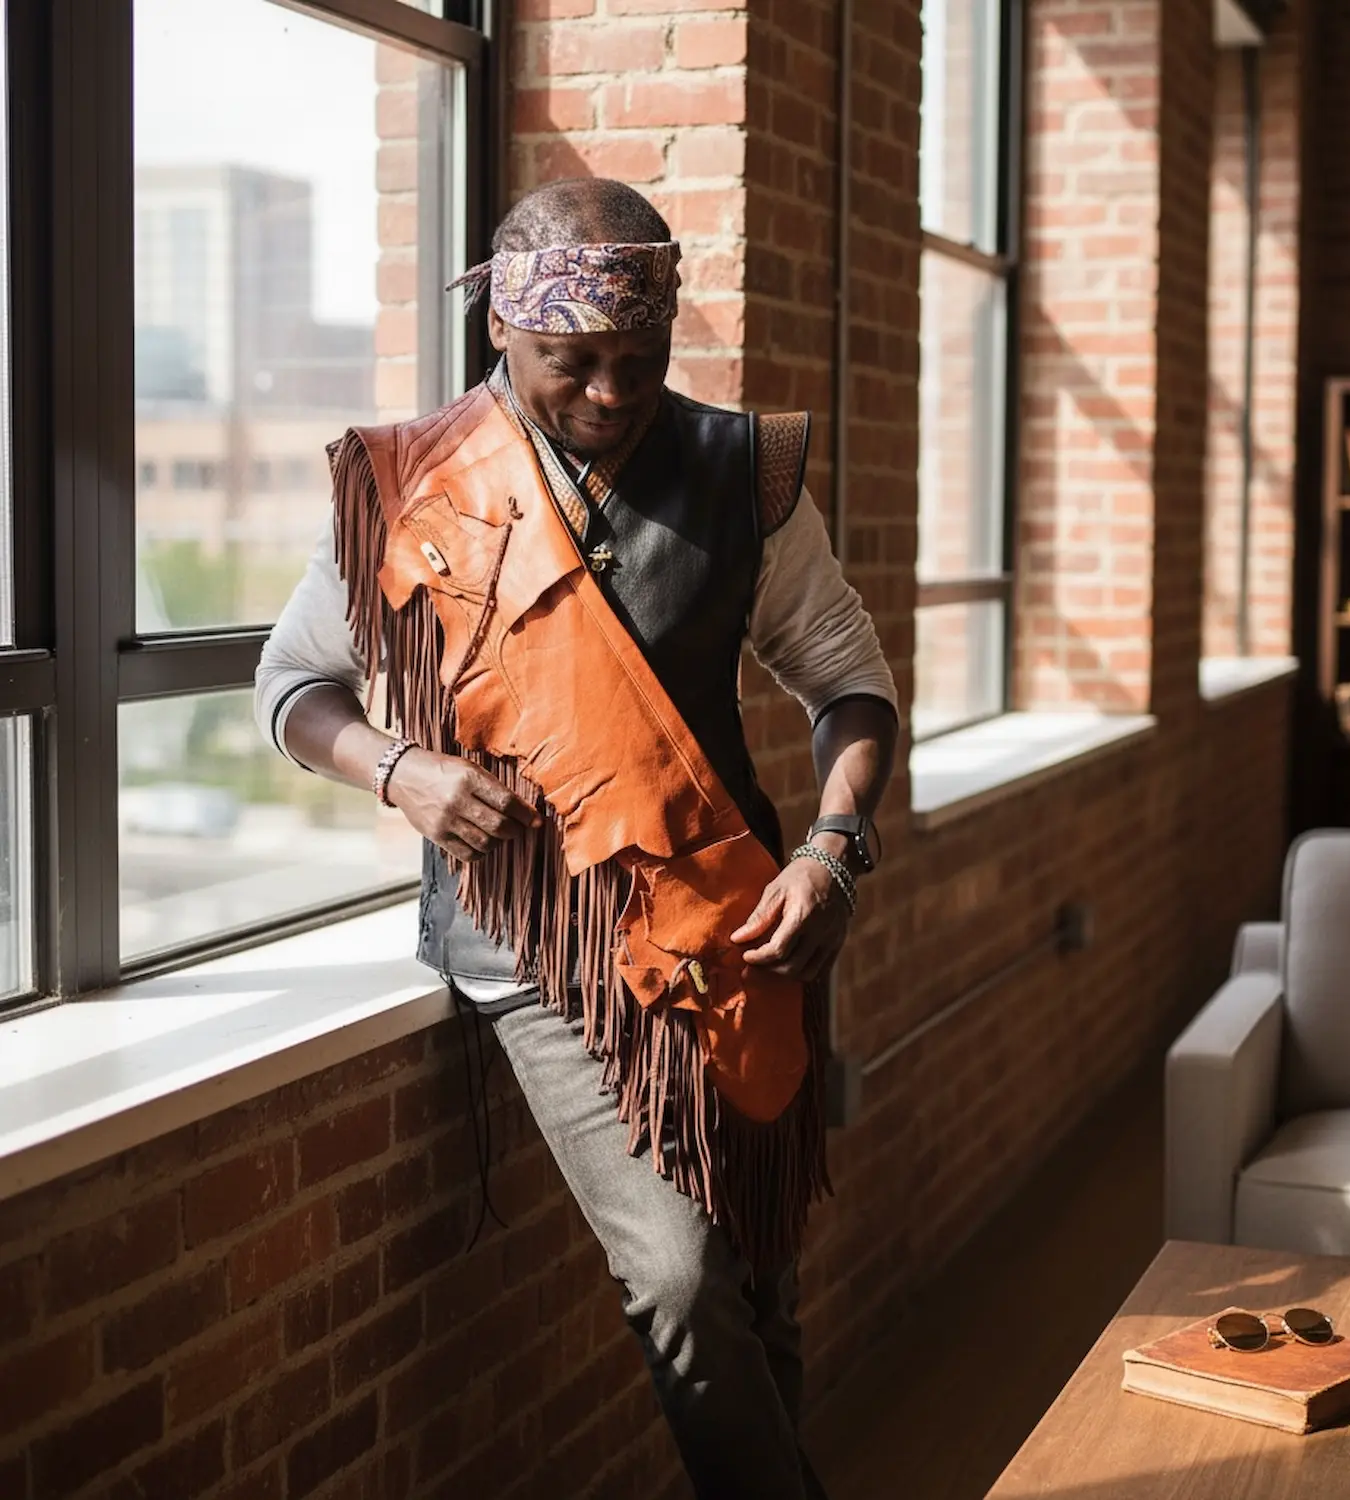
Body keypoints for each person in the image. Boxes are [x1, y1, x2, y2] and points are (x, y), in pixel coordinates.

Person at [254, 177, 898, 1500]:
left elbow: (849, 681)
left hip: (734, 922)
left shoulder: (746, 472)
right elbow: (292, 688)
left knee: (759, 1264)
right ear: (500, 327)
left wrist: (835, 849)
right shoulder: (406, 481)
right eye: (572, 360)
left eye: (640, 359)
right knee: (680, 1274)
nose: (612, 391)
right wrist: (400, 771)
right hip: (531, 947)